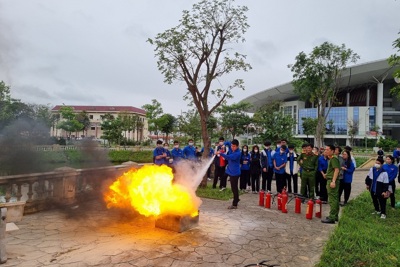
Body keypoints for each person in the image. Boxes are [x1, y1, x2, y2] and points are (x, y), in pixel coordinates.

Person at [217, 139, 241, 209]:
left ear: (237, 146)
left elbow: (228, 157)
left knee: (234, 188)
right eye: (232, 146)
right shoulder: (231, 150)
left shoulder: (238, 153)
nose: (232, 147)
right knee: (223, 178)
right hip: (229, 171)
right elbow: (228, 142)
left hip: (235, 173)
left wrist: (220, 153)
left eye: (234, 146)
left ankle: (235, 204)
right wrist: (224, 145)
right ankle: (236, 198)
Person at [321, 145, 341, 224]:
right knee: (334, 199)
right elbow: (333, 170)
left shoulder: (333, 159)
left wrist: (333, 181)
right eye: (325, 150)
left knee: (332, 199)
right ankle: (335, 216)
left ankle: (332, 217)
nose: (326, 151)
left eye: (328, 150)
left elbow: (336, 170)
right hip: (330, 179)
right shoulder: (332, 159)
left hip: (332, 181)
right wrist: (327, 174)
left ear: (332, 151)